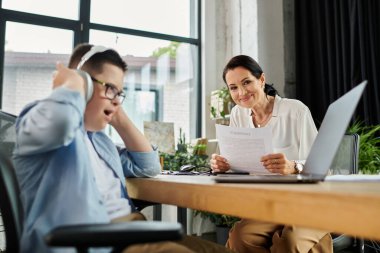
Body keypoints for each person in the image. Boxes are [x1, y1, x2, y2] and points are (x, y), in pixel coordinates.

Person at [13, 43, 234, 253]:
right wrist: (71, 86)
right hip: (97, 242)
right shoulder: (39, 120)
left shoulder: (100, 142)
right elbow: (60, 122)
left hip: (133, 228)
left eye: (119, 93)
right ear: (83, 85)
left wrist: (117, 115)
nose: (117, 100)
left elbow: (148, 166)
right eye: (109, 88)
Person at [210, 55, 333, 253]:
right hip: (269, 205)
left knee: (289, 242)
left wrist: (294, 167)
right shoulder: (237, 114)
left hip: (309, 203)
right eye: (233, 87)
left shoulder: (296, 110)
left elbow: (323, 166)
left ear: (261, 80)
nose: (241, 92)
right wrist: (224, 165)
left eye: (247, 82)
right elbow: (238, 164)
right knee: (240, 237)